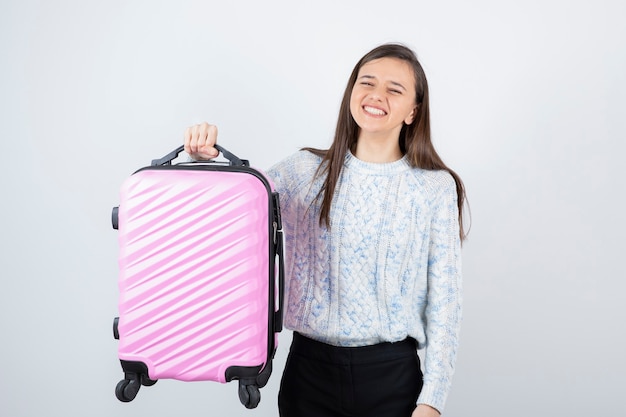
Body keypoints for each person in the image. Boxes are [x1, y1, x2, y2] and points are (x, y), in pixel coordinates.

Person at [184, 43, 467, 417]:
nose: (376, 95)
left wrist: (432, 401)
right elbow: (229, 218)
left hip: (393, 377)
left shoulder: (434, 188)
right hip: (309, 374)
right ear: (352, 92)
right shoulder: (304, 171)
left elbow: (446, 303)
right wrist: (208, 161)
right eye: (367, 82)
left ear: (413, 110)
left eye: (394, 89)